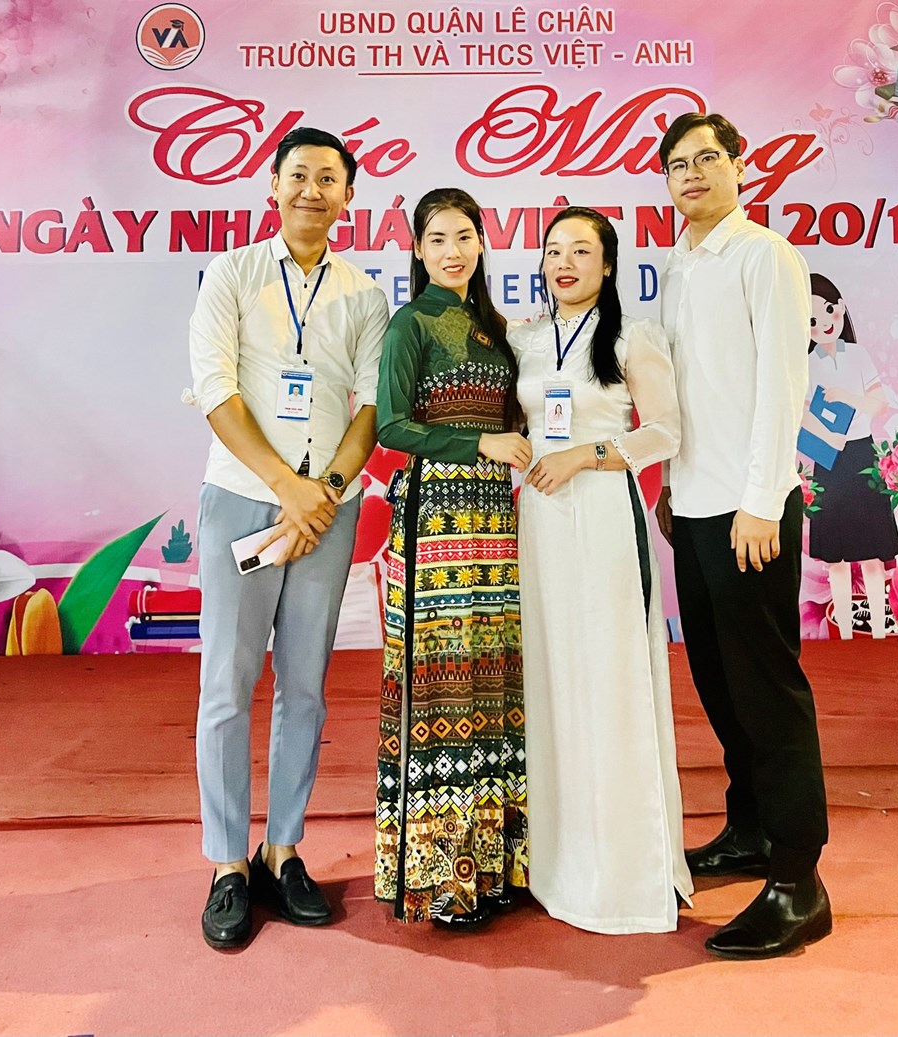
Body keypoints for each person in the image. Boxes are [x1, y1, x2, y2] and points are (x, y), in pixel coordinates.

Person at [187, 127, 389, 949]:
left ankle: (284, 848)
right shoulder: (231, 273)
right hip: (244, 499)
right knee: (227, 686)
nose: (312, 190)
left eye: (328, 178)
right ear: (272, 186)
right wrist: (287, 486)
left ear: (348, 196)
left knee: (305, 686)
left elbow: (371, 406)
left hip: (327, 515)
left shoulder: (364, 294)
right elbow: (216, 389)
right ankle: (228, 862)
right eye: (298, 175)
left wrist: (326, 492)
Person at [653, 112, 832, 959]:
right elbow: (680, 393)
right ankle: (751, 828)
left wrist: (762, 499)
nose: (691, 174)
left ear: (738, 166)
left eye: (707, 159)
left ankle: (799, 879)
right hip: (692, 505)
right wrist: (668, 485)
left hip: (747, 511)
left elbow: (780, 385)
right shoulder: (680, 265)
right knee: (720, 683)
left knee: (767, 688)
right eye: (677, 164)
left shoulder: (766, 255)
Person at [510, 206, 694, 933]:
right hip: (539, 524)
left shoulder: (631, 337)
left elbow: (666, 431)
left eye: (581, 251)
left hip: (605, 516)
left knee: (611, 680)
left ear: (609, 264)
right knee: (553, 678)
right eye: (554, 250)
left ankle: (624, 869)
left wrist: (585, 456)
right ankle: (559, 858)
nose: (564, 263)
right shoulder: (524, 340)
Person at [374, 188, 532, 927]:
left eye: (464, 236)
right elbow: (392, 427)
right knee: (443, 688)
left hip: (493, 519)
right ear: (417, 248)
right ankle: (443, 881)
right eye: (437, 238)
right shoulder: (411, 322)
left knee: (490, 680)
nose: (452, 251)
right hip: (436, 515)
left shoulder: (494, 326)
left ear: (481, 242)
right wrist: (480, 443)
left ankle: (496, 865)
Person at [802, 273, 898, 639]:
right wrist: (827, 435)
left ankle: (879, 631)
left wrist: (846, 397)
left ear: (840, 308)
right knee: (836, 559)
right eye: (811, 320)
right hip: (828, 458)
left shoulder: (857, 355)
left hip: (862, 454)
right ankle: (843, 634)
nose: (823, 324)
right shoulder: (806, 363)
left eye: (827, 311)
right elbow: (800, 413)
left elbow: (879, 403)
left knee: (872, 554)